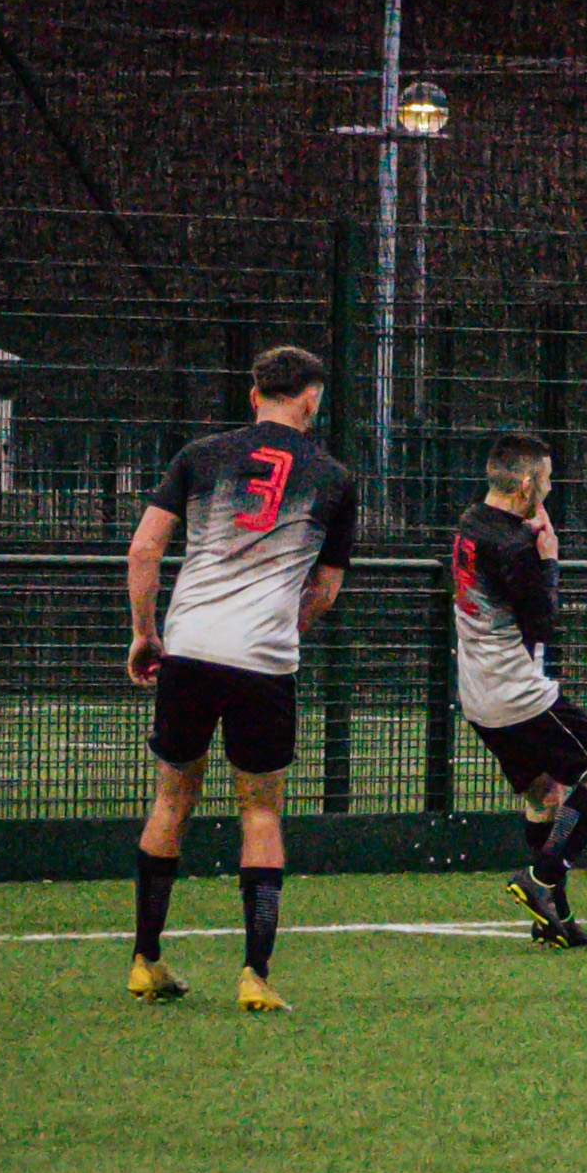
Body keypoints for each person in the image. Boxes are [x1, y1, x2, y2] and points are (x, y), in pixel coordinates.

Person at [124, 345, 358, 1011]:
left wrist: (145, 633)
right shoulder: (334, 478)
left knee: (172, 801)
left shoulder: (200, 455)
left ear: (254, 395)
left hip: (190, 651)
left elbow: (145, 547)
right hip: (264, 662)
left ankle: (145, 959)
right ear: (311, 399)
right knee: (260, 810)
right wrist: (284, 625)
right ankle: (254, 974)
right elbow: (326, 590)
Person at [455, 432, 587, 948]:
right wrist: (549, 559)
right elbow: (543, 623)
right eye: (546, 480)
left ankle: (554, 920)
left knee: (544, 793)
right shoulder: (517, 547)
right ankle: (542, 877)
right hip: (520, 695)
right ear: (527, 484)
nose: (550, 489)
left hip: (478, 694)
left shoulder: (471, 523)